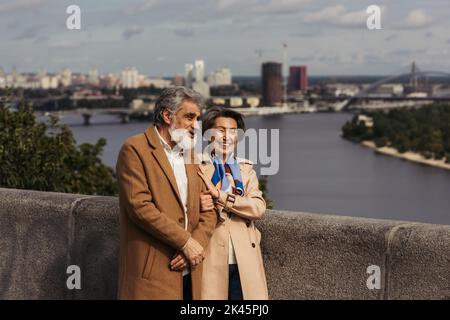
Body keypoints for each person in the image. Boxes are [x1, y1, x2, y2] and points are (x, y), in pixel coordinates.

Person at [116, 87, 217, 300]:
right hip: (154, 274)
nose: (195, 126)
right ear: (167, 115)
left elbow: (209, 209)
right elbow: (139, 207)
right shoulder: (134, 149)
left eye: (198, 119)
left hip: (192, 271)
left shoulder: (192, 155)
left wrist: (194, 245)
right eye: (189, 117)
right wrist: (185, 242)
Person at [198, 106, 269, 300]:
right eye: (220, 130)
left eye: (232, 131)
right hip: (209, 257)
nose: (226, 137)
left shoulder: (246, 170)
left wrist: (220, 197)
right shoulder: (196, 168)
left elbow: (257, 208)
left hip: (244, 258)